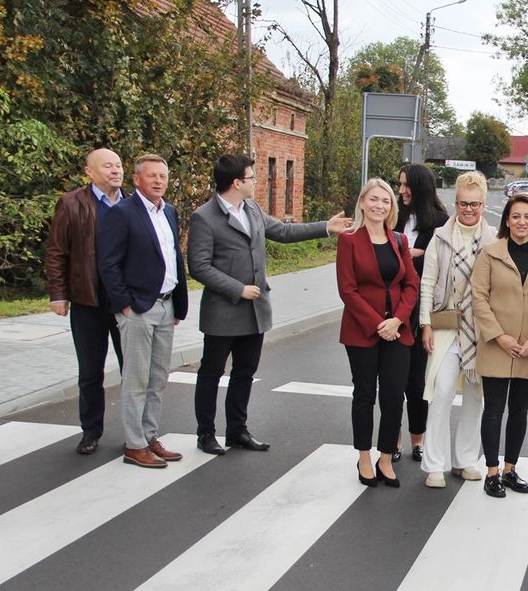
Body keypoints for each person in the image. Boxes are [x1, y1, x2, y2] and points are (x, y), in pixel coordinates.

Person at [187, 154, 350, 456]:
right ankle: (205, 434)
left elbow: (284, 232)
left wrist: (326, 227)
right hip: (223, 312)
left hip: (255, 312)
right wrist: (237, 289)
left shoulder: (251, 208)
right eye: (251, 177)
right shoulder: (204, 217)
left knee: (244, 373)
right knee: (211, 373)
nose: (255, 181)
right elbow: (198, 266)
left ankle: (237, 431)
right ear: (236, 182)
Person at [97, 154, 188, 468]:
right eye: (152, 176)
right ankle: (134, 445)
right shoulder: (122, 213)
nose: (159, 181)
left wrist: (180, 303)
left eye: (163, 175)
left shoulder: (170, 212)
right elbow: (108, 264)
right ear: (136, 179)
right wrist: (124, 304)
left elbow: (175, 257)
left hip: (166, 305)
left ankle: (149, 436)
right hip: (138, 307)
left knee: (158, 377)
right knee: (136, 378)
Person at [337, 178, 420, 487]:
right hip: (362, 331)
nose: (379, 206)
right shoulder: (349, 240)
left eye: (385, 201)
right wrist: (377, 324)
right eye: (373, 199)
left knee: (394, 396)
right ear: (362, 202)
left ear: (391, 207)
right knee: (364, 395)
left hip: (398, 332)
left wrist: (397, 320)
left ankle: (386, 456)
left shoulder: (399, 241)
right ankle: (363, 457)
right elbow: (348, 290)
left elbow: (411, 284)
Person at [471, 194, 528, 498]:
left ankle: (510, 469)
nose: (522, 222)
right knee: (493, 410)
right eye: (516, 216)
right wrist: (499, 335)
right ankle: (492, 472)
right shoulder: (489, 254)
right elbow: (478, 298)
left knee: (519, 411)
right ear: (506, 220)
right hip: (497, 345)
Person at [45, 148, 126, 455]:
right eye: (108, 166)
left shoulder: (133, 203)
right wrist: (58, 293)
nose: (115, 170)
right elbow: (56, 251)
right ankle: (91, 431)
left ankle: (138, 431)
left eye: (118, 165)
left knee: (132, 370)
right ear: (90, 172)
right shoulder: (72, 204)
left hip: (124, 303)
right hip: (87, 299)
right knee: (90, 372)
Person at [419, 171, 497, 488]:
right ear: (455, 202)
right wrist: (425, 323)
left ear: (483, 204)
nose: (469, 210)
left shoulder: (493, 240)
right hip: (446, 325)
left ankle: (465, 459)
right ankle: (434, 463)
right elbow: (427, 284)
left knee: (476, 395)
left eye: (475, 204)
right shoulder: (440, 237)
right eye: (464, 203)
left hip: (480, 329)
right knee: (441, 392)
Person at [393, 164, 449, 464]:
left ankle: (418, 440)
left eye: (406, 185)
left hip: (419, 309)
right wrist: (409, 253)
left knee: (416, 381)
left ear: (420, 187)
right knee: (392, 380)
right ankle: (393, 441)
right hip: (391, 307)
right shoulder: (395, 216)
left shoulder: (440, 221)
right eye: (399, 185)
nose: (401, 191)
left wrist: (415, 254)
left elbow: (441, 263)